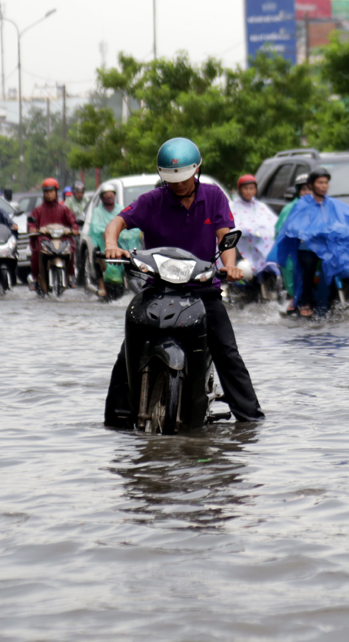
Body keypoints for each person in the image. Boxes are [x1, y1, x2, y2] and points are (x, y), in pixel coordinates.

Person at [103, 137, 264, 426]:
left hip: (202, 291)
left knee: (227, 353)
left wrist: (230, 267)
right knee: (128, 350)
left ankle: (251, 422)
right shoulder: (152, 200)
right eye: (172, 179)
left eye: (184, 178)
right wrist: (112, 243)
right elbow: (117, 222)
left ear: (197, 170)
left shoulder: (214, 196)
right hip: (157, 289)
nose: (179, 184)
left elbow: (225, 237)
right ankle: (118, 421)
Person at [273, 167, 349, 317]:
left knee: (345, 259)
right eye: (320, 182)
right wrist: (311, 232)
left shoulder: (333, 204)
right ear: (312, 185)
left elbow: (348, 218)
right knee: (309, 265)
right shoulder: (303, 205)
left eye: (326, 182)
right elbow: (293, 225)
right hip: (308, 247)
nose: (324, 186)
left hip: (330, 247)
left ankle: (346, 293)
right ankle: (306, 302)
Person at [88, 182, 141, 298]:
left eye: (111, 195)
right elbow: (96, 227)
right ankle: (101, 284)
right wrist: (108, 233)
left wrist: (123, 234)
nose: (109, 197)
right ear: (102, 198)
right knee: (97, 255)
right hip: (103, 243)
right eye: (106, 195)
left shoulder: (120, 209)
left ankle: (129, 281)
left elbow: (128, 226)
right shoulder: (97, 211)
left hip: (121, 243)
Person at [28, 177, 80, 292]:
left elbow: (73, 221)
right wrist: (32, 228)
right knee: (36, 252)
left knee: (71, 248)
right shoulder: (38, 210)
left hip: (61, 239)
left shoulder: (64, 209)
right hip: (44, 239)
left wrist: (75, 228)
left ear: (56, 192)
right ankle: (36, 279)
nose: (49, 194)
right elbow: (32, 222)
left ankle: (71, 275)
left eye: (51, 191)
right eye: (46, 192)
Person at [229, 174, 280, 285]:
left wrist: (262, 230)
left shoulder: (261, 206)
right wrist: (240, 231)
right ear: (240, 190)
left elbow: (274, 223)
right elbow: (227, 227)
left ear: (255, 190)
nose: (248, 191)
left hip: (260, 246)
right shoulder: (232, 206)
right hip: (240, 247)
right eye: (245, 188)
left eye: (251, 188)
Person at [274, 173, 310, 302]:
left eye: (310, 189)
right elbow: (280, 231)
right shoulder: (289, 208)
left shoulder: (319, 206)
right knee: (290, 266)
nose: (307, 193)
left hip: (313, 247)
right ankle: (293, 297)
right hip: (291, 248)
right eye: (304, 189)